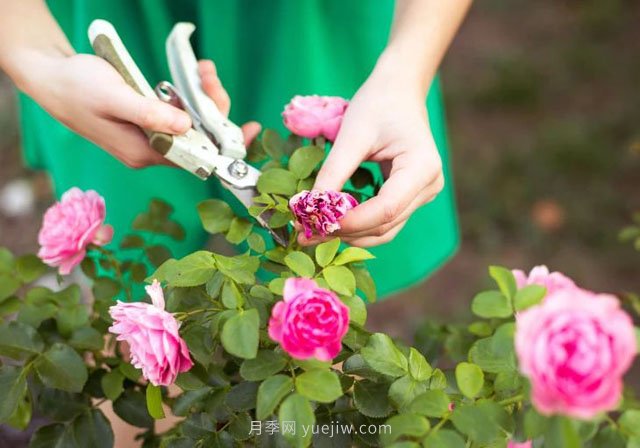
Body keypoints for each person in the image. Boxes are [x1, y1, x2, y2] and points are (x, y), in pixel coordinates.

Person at [0, 0, 471, 299]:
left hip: (308, 23)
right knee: (132, 301)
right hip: (119, 11)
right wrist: (37, 61)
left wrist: (404, 74)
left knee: (317, 299)